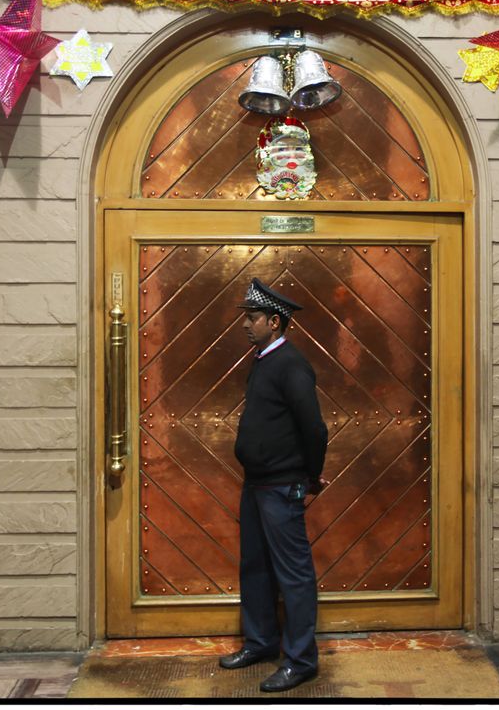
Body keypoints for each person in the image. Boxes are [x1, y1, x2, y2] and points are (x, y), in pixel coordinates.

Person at [219, 277, 328, 692]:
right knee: (256, 568)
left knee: (293, 575)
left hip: (282, 486)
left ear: (276, 322)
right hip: (257, 485)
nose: (246, 325)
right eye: (247, 317)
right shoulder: (263, 358)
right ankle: (262, 642)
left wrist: (310, 476)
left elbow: (314, 429)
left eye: (253, 318)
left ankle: (301, 661)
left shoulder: (291, 365)